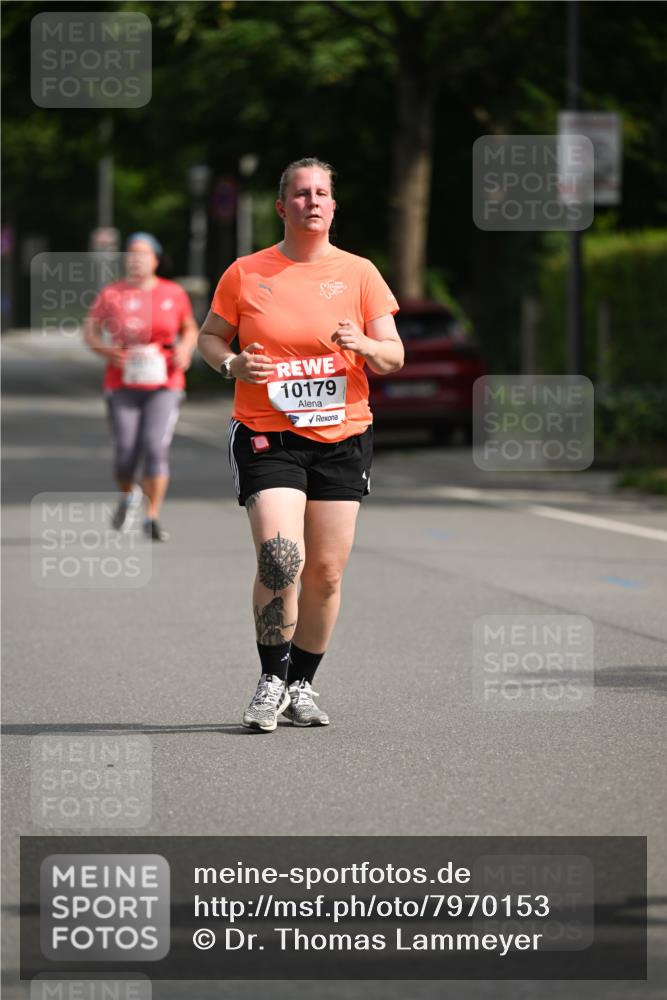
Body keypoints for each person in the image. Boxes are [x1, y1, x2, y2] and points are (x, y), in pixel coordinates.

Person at [198, 157, 404, 731]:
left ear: (333, 206)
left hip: (343, 436)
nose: (312, 201)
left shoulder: (361, 273)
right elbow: (211, 337)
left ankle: (301, 684)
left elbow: (394, 355)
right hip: (269, 434)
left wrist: (362, 341)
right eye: (301, 193)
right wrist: (234, 363)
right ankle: (270, 678)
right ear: (281, 206)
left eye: (322, 193)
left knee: (327, 574)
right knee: (281, 558)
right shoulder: (246, 272)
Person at [84, 232, 198, 540]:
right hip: (122, 382)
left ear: (156, 259)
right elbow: (91, 331)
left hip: (165, 381)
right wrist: (106, 351)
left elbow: (189, 328)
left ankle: (151, 516)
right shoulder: (113, 294)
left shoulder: (173, 293)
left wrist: (185, 349)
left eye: (143, 253)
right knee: (124, 454)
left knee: (154, 446)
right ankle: (128, 494)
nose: (136, 258)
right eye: (131, 253)